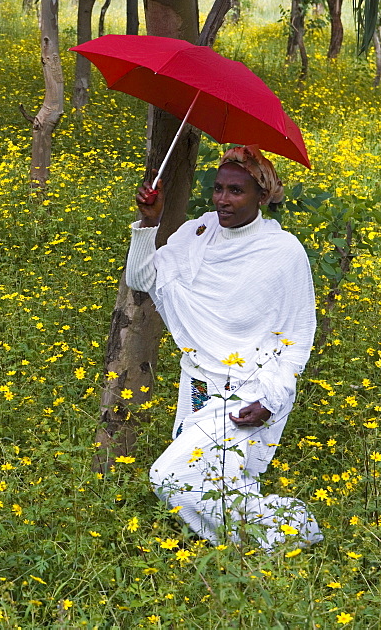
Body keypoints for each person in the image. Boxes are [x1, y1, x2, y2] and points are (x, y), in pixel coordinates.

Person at [125, 145, 323, 550]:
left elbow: (298, 336)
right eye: (218, 189)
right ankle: (252, 552)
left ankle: (286, 534)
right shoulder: (196, 234)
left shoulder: (283, 253)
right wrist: (150, 223)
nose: (222, 200)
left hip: (251, 389)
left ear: (261, 195)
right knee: (223, 480)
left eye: (236, 190)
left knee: (170, 477)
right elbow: (141, 278)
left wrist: (272, 398)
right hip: (197, 380)